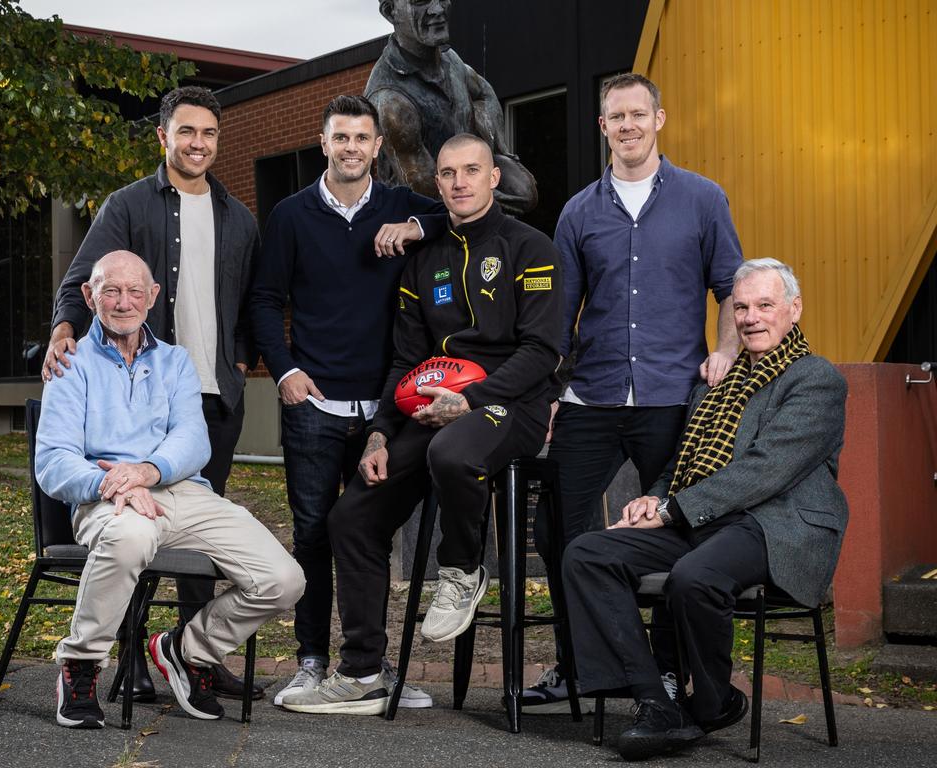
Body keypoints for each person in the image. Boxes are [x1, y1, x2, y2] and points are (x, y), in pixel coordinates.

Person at [281, 133, 563, 715]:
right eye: (447, 174)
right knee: (351, 515)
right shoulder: (422, 259)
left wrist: (475, 397)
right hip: (431, 408)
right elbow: (405, 362)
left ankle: (461, 568)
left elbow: (542, 351)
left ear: (494, 178)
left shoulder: (532, 247)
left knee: (452, 453)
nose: (459, 182)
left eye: (471, 171)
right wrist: (381, 432)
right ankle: (362, 673)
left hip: (511, 403)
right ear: (436, 185)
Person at [562, 258, 848, 761]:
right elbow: (683, 461)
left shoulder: (815, 379)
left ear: (794, 310)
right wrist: (656, 494)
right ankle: (656, 702)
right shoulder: (717, 383)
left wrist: (672, 510)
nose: (751, 317)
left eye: (765, 305)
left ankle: (715, 703)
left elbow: (766, 469)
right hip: (708, 517)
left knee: (693, 577)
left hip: (780, 523)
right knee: (587, 554)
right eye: (741, 307)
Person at [526, 72, 744, 713]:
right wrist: (549, 393)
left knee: (681, 531)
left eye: (637, 115)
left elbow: (729, 284)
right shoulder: (578, 212)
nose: (627, 126)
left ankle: (670, 674)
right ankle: (577, 667)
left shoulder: (703, 200)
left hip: (674, 398)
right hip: (591, 398)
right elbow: (559, 312)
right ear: (603, 128)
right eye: (615, 117)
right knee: (560, 534)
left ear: (659, 119)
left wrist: (727, 349)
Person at [42, 86, 259, 700]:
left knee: (199, 531)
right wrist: (63, 330)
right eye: (186, 131)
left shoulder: (238, 218)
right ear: (163, 136)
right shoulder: (129, 205)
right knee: (135, 527)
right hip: (143, 394)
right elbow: (81, 281)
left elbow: (250, 302)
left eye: (209, 133)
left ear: (218, 140)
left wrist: (240, 360)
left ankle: (196, 658)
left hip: (212, 400)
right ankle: (132, 661)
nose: (198, 144)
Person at [36, 251, 303, 730]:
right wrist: (109, 481)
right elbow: (52, 462)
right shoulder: (70, 363)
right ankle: (80, 666)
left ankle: (187, 650)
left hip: (180, 492)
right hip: (105, 498)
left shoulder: (176, 362)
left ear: (153, 296)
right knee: (131, 536)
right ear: (88, 295)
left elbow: (193, 441)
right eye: (110, 290)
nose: (123, 302)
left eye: (135, 291)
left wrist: (146, 471)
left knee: (283, 579)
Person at [250, 94, 446, 707]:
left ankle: (371, 665)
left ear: (378, 146)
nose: (352, 148)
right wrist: (283, 370)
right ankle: (311, 662)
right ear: (324, 142)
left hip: (384, 411)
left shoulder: (399, 206)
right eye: (341, 138)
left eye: (363, 138)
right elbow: (262, 300)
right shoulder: (290, 215)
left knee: (368, 537)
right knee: (311, 535)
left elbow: (457, 214)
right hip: (313, 405)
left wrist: (415, 226)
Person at [365, 0, 537, 216]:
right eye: (420, 2)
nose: (437, 9)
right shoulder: (390, 102)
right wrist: (483, 194)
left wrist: (493, 147)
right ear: (391, 12)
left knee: (524, 190)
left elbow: (484, 91)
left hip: (469, 184)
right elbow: (427, 192)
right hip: (428, 219)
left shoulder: (449, 59)